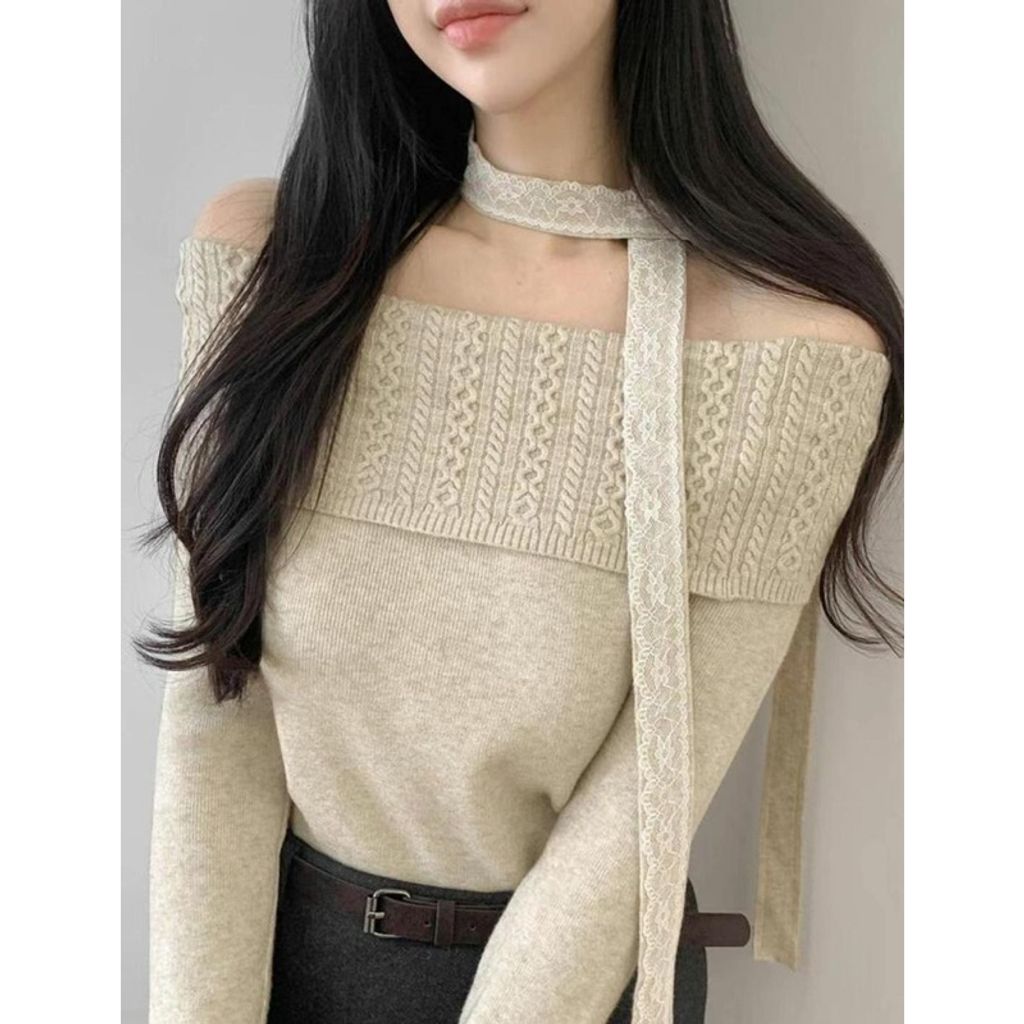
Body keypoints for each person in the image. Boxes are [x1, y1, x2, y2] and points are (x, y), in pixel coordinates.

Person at [137, 2, 903, 1022]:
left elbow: (642, 813)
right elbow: (216, 716)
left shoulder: (785, 357)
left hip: (585, 987)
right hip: (289, 961)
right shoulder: (278, 266)